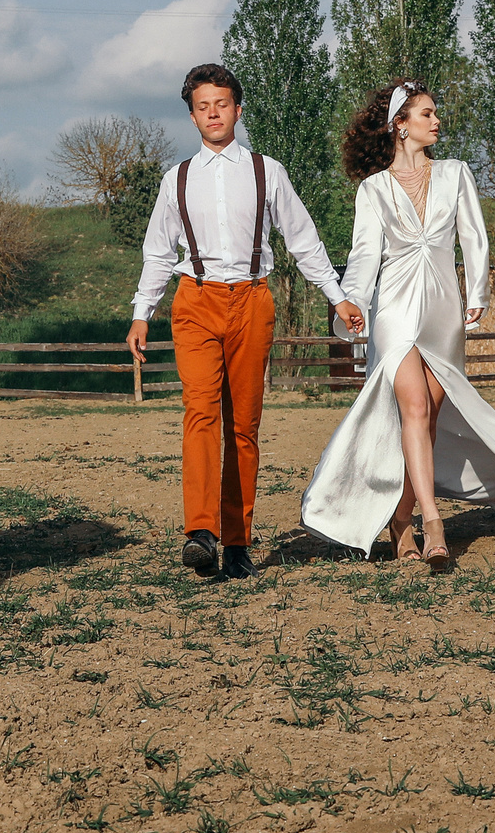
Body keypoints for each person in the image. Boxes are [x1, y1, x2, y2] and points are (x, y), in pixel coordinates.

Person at [299, 79, 495, 568]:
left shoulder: (456, 173)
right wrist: (352, 299)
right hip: (394, 305)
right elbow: (363, 255)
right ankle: (433, 524)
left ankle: (400, 519)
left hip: (443, 306)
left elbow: (474, 237)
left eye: (435, 113)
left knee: (430, 418)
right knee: (414, 407)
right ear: (400, 124)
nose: (436, 121)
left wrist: (477, 292)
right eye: (426, 114)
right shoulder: (372, 189)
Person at [127, 64, 366, 578]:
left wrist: (337, 295)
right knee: (200, 411)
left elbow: (303, 239)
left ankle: (237, 543)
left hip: (253, 301)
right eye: (202, 106)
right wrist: (142, 313)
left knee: (244, 426)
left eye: (222, 104)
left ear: (237, 109)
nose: (213, 113)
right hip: (194, 301)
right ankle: (200, 533)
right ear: (192, 116)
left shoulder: (267, 171)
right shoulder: (177, 179)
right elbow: (157, 252)